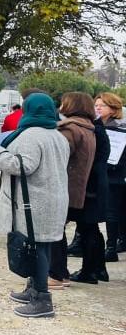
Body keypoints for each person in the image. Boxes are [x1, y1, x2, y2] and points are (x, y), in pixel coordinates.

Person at [0, 93, 70, 318]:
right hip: (51, 198)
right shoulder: (57, 135)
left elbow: (22, 166)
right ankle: (33, 289)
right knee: (40, 247)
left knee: (37, 248)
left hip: (34, 202)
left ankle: (42, 299)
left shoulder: (31, 135)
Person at [49, 93, 96, 289]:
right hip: (77, 186)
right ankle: (60, 273)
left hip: (64, 186)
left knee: (54, 230)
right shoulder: (88, 128)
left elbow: (58, 156)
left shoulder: (70, 129)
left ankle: (57, 274)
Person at [70, 111, 110, 284]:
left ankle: (89, 271)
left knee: (87, 228)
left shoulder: (94, 131)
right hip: (96, 181)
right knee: (91, 228)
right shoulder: (98, 129)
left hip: (89, 184)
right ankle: (99, 269)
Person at [94, 92, 126, 261]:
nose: (98, 108)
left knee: (113, 212)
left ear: (113, 109)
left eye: (102, 105)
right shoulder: (95, 126)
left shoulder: (121, 129)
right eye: (96, 105)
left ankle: (111, 247)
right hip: (101, 173)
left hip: (116, 175)